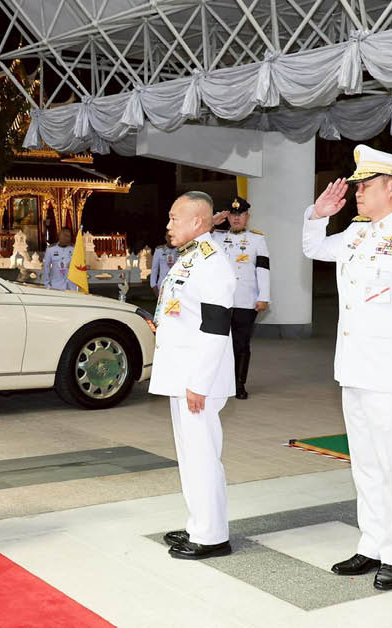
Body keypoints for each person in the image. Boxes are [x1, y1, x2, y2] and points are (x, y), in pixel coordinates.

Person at [301, 145, 392, 591]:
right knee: (364, 463)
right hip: (355, 368)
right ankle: (372, 543)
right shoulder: (358, 232)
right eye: (357, 184)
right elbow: (315, 250)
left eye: (365, 185)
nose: (357, 192)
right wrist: (318, 213)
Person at [151, 191, 237, 560]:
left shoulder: (212, 262)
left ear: (197, 222)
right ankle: (198, 523)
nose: (169, 225)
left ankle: (212, 535)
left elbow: (217, 328)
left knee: (202, 456)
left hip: (199, 378)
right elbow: (186, 312)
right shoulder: (190, 259)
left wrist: (199, 382)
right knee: (189, 456)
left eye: (174, 218)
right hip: (181, 373)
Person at [211, 196, 270, 399]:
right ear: (227, 216)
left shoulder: (257, 240)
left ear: (247, 216)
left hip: (246, 300)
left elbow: (263, 269)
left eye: (241, 214)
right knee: (219, 344)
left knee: (241, 344)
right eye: (233, 214)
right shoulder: (216, 237)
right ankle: (219, 383)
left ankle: (239, 384)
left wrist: (264, 296)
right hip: (221, 301)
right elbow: (194, 238)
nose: (236, 218)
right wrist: (212, 221)